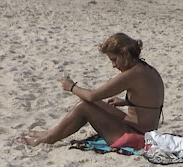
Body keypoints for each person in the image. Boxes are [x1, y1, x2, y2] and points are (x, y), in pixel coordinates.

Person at [20, 33, 164, 147]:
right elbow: (149, 98)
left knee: (84, 105)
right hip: (142, 129)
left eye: (114, 59)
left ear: (125, 54)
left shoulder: (132, 74)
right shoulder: (146, 69)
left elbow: (92, 96)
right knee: (95, 104)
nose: (114, 65)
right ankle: (51, 133)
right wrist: (126, 101)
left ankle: (50, 138)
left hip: (136, 136)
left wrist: (71, 87)